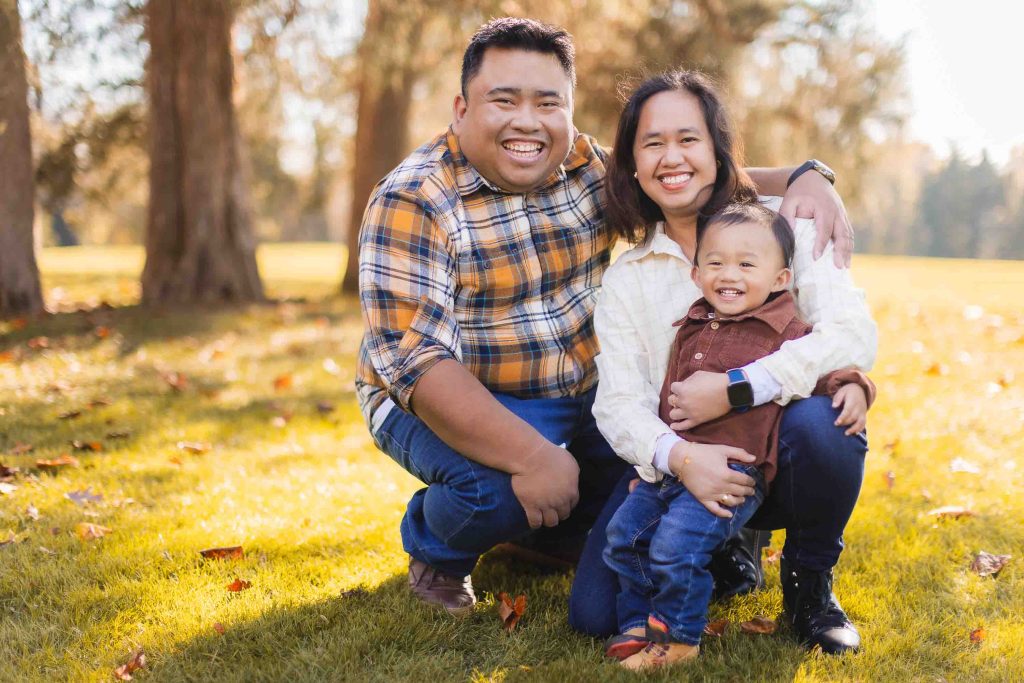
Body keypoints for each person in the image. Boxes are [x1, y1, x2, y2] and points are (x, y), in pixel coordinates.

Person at [356, 18, 852, 618]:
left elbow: (681, 174)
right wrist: (537, 459)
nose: (527, 122)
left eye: (548, 103)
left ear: (568, 111)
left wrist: (806, 177)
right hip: (448, 394)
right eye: (503, 100)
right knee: (501, 491)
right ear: (461, 109)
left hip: (576, 393)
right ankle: (439, 549)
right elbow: (420, 365)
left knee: (651, 463)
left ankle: (583, 530)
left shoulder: (583, 165)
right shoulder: (415, 198)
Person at [582, 70, 876, 656]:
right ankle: (724, 549)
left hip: (773, 448)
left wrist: (739, 388)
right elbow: (618, 404)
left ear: (717, 152)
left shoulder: (787, 224)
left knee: (827, 427)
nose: (672, 158)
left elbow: (851, 333)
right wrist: (682, 458)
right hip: (674, 467)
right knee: (594, 613)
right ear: (633, 163)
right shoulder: (627, 278)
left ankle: (809, 583)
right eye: (652, 143)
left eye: (688, 139)